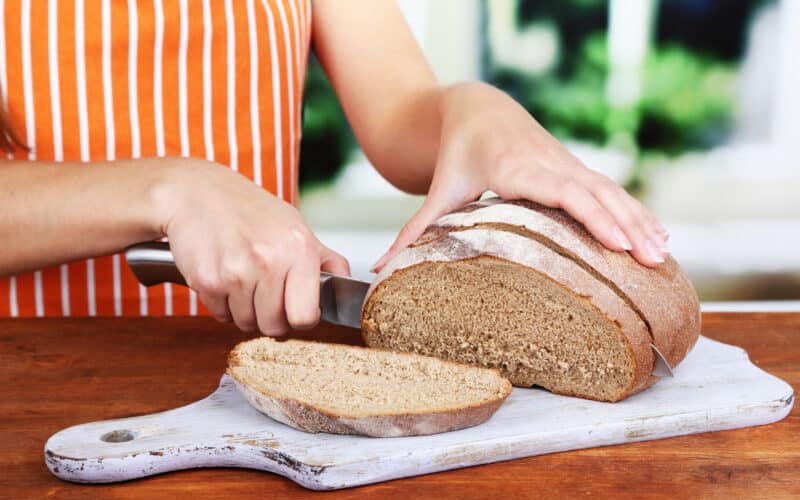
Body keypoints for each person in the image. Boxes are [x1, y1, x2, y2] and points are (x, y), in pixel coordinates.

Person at [0, 0, 668, 335]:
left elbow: (402, 120)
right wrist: (171, 189)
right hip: (35, 382)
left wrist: (476, 113)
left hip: (256, 365)